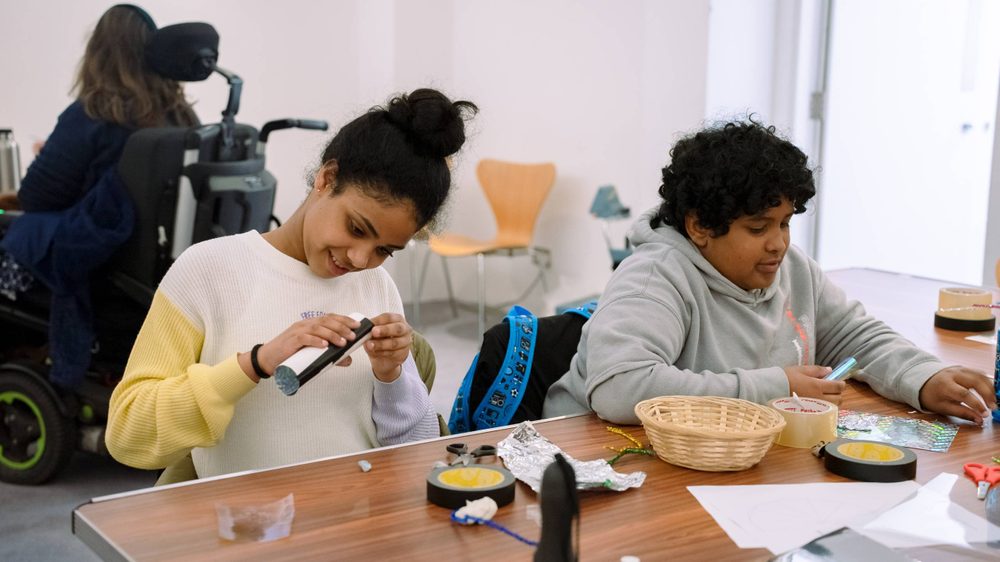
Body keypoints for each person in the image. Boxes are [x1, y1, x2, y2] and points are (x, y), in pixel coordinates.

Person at [106, 88, 478, 479]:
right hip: (248, 514)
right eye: (356, 228)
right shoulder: (207, 270)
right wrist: (256, 363)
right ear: (327, 178)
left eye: (384, 249)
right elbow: (128, 434)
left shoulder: (377, 285)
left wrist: (392, 376)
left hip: (358, 511)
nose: (360, 260)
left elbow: (413, 454)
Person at [543, 119, 996, 425]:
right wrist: (775, 387)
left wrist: (923, 377)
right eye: (758, 228)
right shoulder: (655, 277)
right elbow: (620, 389)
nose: (778, 243)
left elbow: (856, 338)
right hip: (597, 454)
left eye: (785, 223)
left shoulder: (792, 269)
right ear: (699, 226)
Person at [0, 4, 198, 391]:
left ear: (97, 54)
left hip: (96, 263)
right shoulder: (181, 119)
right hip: (151, 266)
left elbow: (37, 197)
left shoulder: (93, 113)